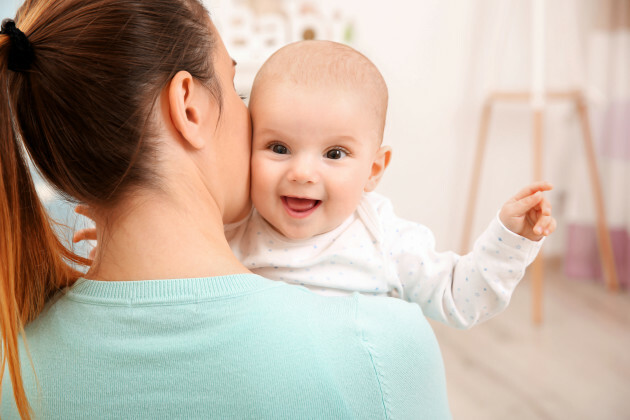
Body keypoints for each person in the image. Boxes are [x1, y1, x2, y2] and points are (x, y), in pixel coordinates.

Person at [0, 1, 451, 419]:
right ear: (189, 108)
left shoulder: (15, 372)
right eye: (235, 88)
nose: (251, 118)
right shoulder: (381, 351)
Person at [223, 40, 557, 329]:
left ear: (373, 169)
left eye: (334, 153)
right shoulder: (232, 228)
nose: (302, 173)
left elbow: (460, 298)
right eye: (279, 148)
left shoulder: (385, 239)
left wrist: (509, 240)